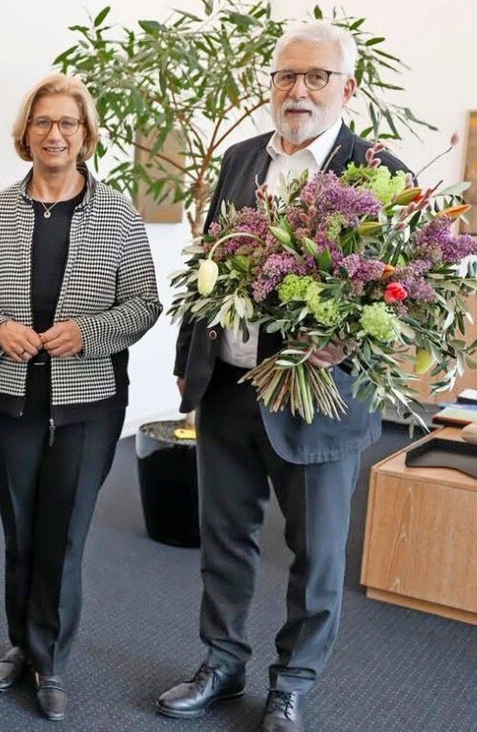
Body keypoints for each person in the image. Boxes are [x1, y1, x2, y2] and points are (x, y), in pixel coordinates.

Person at [159, 22, 409, 732]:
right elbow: (205, 268)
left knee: (317, 553)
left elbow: (404, 297)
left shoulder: (378, 173)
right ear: (271, 85)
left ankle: (293, 682)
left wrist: (345, 346)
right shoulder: (241, 159)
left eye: (317, 77)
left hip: (321, 402)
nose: (298, 90)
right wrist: (188, 366)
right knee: (224, 539)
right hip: (229, 389)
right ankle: (222, 663)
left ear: (347, 88)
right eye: (286, 76)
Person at [0, 73, 161, 721]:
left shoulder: (118, 212)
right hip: (6, 398)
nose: (55, 134)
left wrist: (90, 332)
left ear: (86, 135)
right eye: (43, 122)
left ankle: (52, 660)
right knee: (20, 531)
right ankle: (21, 642)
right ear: (27, 133)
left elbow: (146, 303)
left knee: (63, 535)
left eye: (68, 123)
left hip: (88, 401)